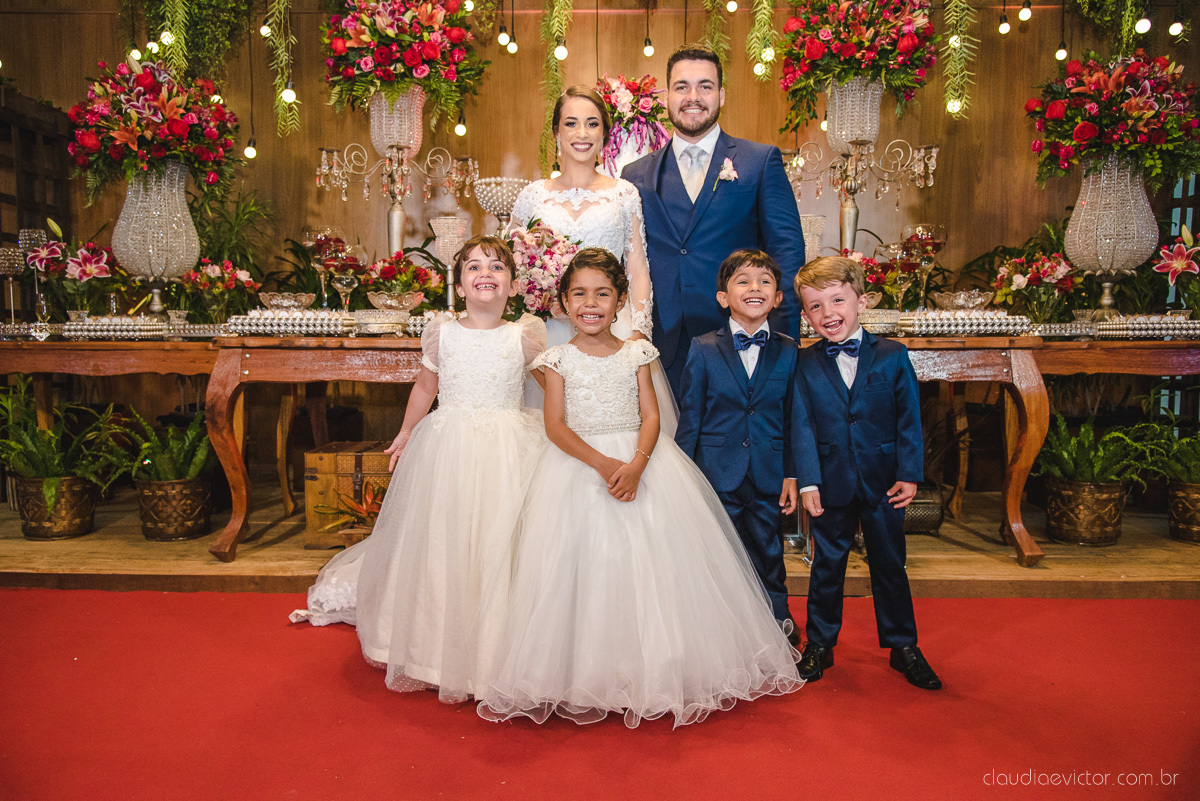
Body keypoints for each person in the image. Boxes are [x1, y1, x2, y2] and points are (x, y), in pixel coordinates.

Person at [477, 248, 801, 730]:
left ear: (620, 299)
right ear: (563, 302)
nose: (591, 303)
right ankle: (586, 671)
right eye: (580, 294)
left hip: (644, 464)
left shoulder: (637, 351)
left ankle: (660, 665)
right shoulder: (555, 359)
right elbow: (556, 427)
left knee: (658, 568)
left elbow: (651, 415)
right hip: (578, 467)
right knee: (581, 566)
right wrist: (606, 464)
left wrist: (637, 464)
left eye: (603, 294)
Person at [290, 236, 549, 704]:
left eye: (495, 266)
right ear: (459, 284)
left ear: (513, 284)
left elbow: (554, 389)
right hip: (448, 446)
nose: (484, 272)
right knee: (443, 540)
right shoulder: (442, 331)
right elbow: (425, 387)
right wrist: (408, 433)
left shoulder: (524, 336)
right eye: (472, 267)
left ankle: (498, 648)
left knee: (499, 539)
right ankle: (435, 649)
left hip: (509, 449)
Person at [622, 44, 806, 400]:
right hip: (663, 349)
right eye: (682, 86)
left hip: (743, 341)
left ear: (721, 94)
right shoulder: (636, 174)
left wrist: (783, 340)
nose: (693, 97)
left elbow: (786, 251)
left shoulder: (758, 161)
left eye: (705, 86)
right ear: (667, 97)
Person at [792, 256, 942, 690]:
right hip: (831, 482)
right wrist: (809, 481)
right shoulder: (804, 363)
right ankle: (819, 644)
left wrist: (910, 474)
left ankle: (903, 646)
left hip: (884, 483)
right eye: (816, 307)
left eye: (838, 300)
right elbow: (800, 424)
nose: (829, 313)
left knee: (890, 564)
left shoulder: (893, 356)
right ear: (805, 316)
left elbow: (908, 419)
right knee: (827, 565)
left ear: (862, 302)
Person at [511, 85, 678, 437]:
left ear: (605, 132)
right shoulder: (533, 196)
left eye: (591, 124)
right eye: (571, 123)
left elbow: (637, 268)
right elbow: (513, 265)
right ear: (556, 132)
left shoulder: (623, 194)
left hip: (613, 329)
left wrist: (638, 332)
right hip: (549, 333)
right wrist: (538, 294)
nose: (582, 133)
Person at [674, 250, 821, 644]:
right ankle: (721, 630)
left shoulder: (791, 351)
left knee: (768, 551)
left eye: (765, 282)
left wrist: (794, 473)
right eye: (743, 280)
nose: (754, 287)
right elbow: (691, 416)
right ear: (723, 296)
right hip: (715, 470)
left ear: (777, 298)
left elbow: (796, 418)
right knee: (718, 552)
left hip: (769, 472)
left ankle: (777, 623)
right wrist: (683, 476)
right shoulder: (703, 347)